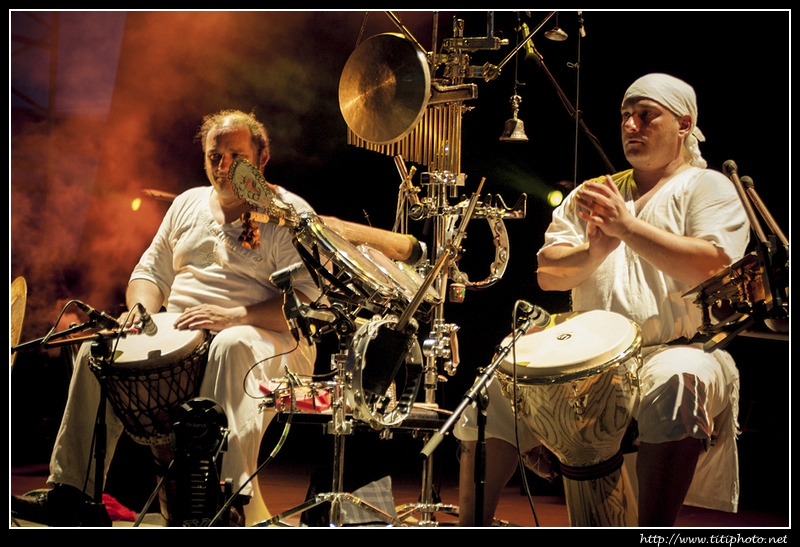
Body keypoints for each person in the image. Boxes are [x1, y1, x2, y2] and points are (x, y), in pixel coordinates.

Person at [455, 73, 750, 526]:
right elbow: (547, 273)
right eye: (625, 116)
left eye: (646, 115)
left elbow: (713, 267)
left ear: (684, 124)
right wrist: (594, 251)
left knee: (678, 380)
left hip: (676, 349)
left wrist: (628, 228)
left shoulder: (707, 187)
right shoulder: (595, 193)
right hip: (589, 360)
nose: (631, 125)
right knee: (495, 386)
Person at [12, 109, 322, 527]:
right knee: (98, 350)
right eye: (215, 156)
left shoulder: (288, 212)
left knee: (231, 345)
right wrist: (140, 310)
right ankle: (73, 494)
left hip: (270, 340)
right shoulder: (186, 204)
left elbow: (306, 300)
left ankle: (224, 500)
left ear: (262, 159)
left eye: (237, 156)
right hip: (185, 334)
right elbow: (150, 274)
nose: (224, 166)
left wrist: (234, 316)